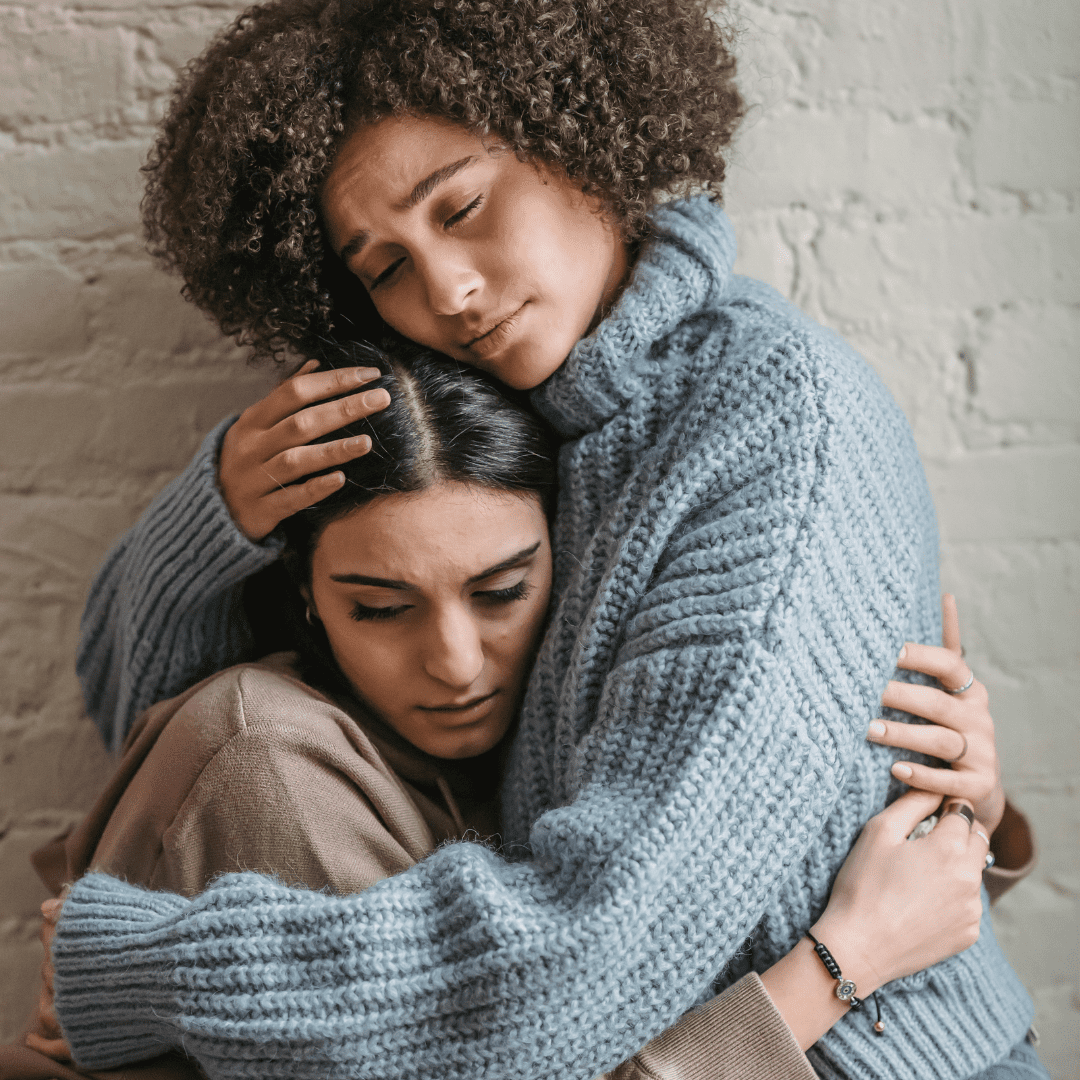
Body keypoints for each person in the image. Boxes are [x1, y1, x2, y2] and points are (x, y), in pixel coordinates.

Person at [46, 0, 1045, 1076]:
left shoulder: (773, 429)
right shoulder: (509, 420)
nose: (447, 290)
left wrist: (135, 969)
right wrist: (219, 518)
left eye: (464, 206)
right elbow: (147, 737)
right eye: (383, 267)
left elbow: (591, 953)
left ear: (583, 137)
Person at [11, 347, 1025, 1080]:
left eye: (501, 592)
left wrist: (954, 818)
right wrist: (842, 965)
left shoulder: (563, 714)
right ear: (307, 600)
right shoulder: (264, 762)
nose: (455, 663)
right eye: (382, 607)